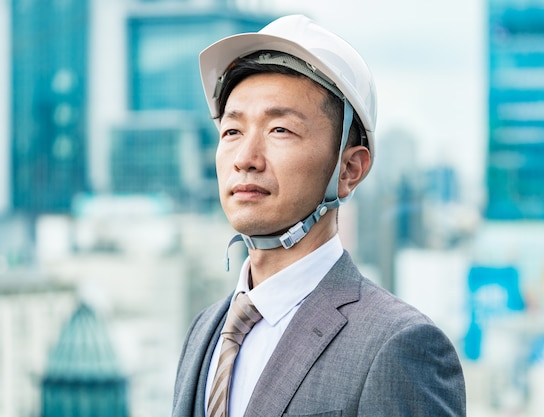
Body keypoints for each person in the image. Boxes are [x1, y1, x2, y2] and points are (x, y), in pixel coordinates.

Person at [172, 14, 466, 417]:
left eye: (280, 130)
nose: (245, 159)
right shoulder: (206, 330)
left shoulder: (397, 345)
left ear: (349, 170)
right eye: (232, 132)